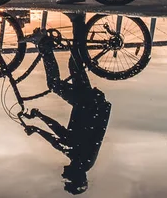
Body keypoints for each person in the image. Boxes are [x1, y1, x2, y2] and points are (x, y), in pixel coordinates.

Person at [21, 13, 112, 194]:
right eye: (67, 178)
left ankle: (78, 24)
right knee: (54, 84)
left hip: (90, 104)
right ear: (76, 176)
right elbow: (58, 138)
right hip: (87, 104)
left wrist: (39, 118)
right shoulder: (80, 160)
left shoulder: (82, 161)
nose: (63, 174)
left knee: (74, 62)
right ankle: (44, 43)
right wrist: (37, 127)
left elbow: (60, 135)